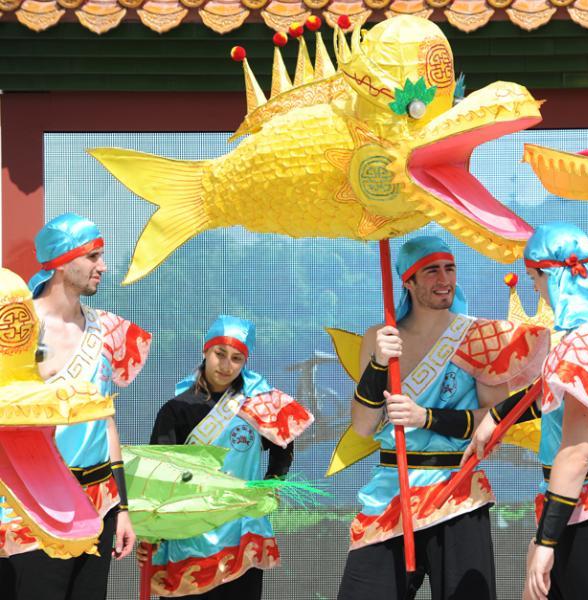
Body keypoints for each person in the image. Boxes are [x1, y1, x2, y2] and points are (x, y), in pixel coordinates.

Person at [337, 235, 549, 600]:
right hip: (391, 491)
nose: (444, 279)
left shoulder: (478, 336)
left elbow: (495, 419)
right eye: (431, 270)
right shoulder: (381, 336)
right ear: (408, 280)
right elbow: (363, 425)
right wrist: (377, 364)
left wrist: (427, 418)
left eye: (449, 268)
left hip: (458, 491)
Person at [466, 222, 588, 600]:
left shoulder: (585, 344)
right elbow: (563, 400)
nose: (535, 288)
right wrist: (498, 417)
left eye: (534, 279)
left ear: (549, 276)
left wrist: (546, 541)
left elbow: (577, 451)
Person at [3, 212, 151, 600]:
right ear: (61, 262)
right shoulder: (17, 329)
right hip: (35, 504)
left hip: (98, 504)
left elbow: (106, 422)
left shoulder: (109, 330)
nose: (102, 267)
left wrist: (121, 508)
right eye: (93, 257)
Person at [138, 315, 314, 599]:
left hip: (242, 531)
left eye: (236, 358)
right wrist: (150, 532)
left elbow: (285, 445)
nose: (226, 365)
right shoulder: (176, 409)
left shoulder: (259, 403)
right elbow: (159, 474)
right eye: (220, 354)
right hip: (189, 532)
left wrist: (272, 484)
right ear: (205, 351)